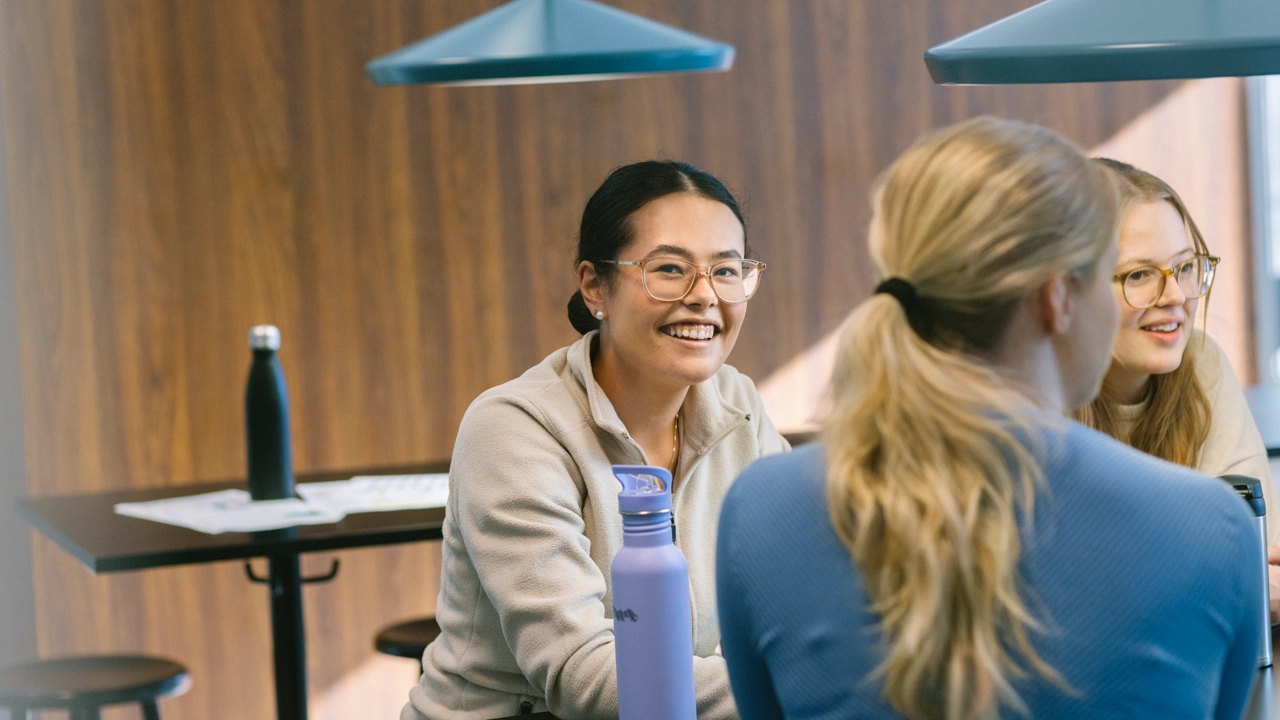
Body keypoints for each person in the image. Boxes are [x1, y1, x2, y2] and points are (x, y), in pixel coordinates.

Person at [716, 117, 1263, 720]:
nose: (1172, 297)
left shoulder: (757, 512)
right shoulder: (1215, 531)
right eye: (1121, 273)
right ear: (1059, 296)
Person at [403, 160, 788, 720]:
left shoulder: (738, 407)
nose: (705, 296)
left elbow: (793, 591)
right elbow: (582, 675)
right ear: (594, 287)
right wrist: (807, 682)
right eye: (669, 268)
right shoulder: (514, 427)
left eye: (727, 271)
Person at [1073, 158, 1280, 616]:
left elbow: (1261, 553)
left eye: (1185, 267)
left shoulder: (1201, 365)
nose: (1176, 297)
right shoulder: (1032, 400)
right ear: (1069, 289)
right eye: (1139, 275)